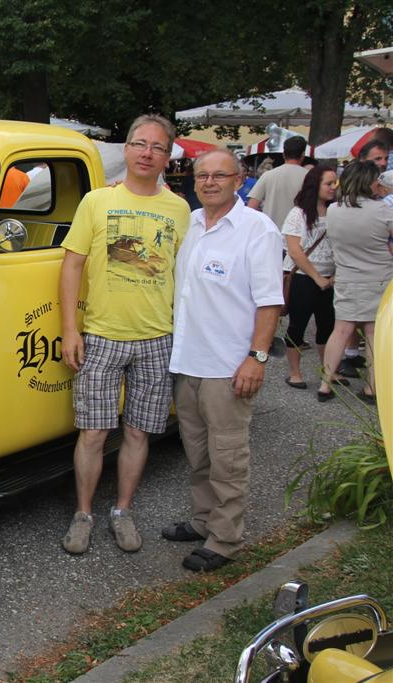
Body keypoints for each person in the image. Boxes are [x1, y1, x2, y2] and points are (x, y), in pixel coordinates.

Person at [59, 114, 190, 555]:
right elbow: (72, 264)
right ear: (127, 148)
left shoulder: (178, 210)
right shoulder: (97, 201)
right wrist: (70, 329)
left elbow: (185, 274)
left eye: (157, 146)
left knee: (138, 432)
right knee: (93, 433)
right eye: (139, 144)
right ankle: (83, 514)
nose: (147, 152)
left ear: (167, 156)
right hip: (101, 335)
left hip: (157, 337)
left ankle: (122, 510)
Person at [162, 149, 284, 572]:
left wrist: (257, 357)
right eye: (202, 176)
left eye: (220, 175)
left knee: (228, 458)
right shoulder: (192, 224)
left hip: (229, 367)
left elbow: (270, 302)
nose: (209, 182)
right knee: (198, 455)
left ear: (240, 178)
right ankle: (202, 522)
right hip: (189, 363)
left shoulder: (257, 230)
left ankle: (226, 539)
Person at [317, 161, 393, 404]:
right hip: (378, 277)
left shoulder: (334, 210)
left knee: (340, 331)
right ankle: (372, 387)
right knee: (372, 333)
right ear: (368, 181)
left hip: (347, 277)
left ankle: (325, 383)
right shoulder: (383, 211)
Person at [281, 166, 339, 389]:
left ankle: (328, 371)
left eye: (336, 183)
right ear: (316, 186)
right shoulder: (298, 214)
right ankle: (295, 373)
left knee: (328, 327)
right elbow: (295, 251)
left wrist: (332, 276)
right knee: (297, 325)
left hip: (330, 277)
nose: (333, 188)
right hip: (304, 278)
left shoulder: (337, 211)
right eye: (329, 183)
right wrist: (317, 278)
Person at [247, 136, 308, 228]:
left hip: (270, 230)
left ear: (283, 154)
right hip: (298, 232)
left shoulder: (268, 175)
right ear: (303, 154)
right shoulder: (309, 177)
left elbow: (252, 206)